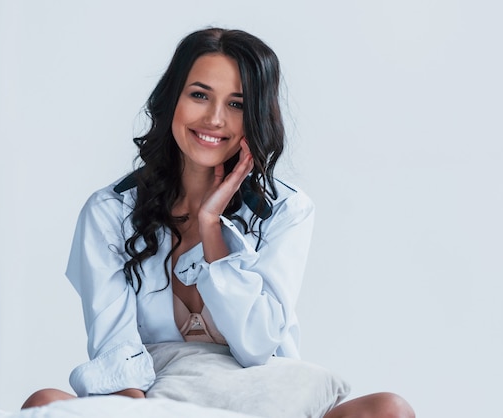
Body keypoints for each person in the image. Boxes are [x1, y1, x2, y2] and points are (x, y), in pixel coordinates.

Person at [22, 27, 415, 417]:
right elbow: (114, 347)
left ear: (256, 117)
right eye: (199, 95)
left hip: (259, 399)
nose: (214, 118)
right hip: (154, 398)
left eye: (237, 104)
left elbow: (256, 345)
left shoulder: (286, 211)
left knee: (388, 409)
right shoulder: (110, 211)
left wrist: (211, 226)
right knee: (43, 403)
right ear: (171, 98)